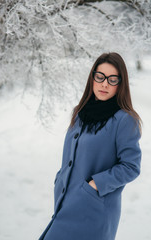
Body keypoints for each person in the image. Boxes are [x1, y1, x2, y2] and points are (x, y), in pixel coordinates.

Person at [39, 52, 142, 240]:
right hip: (66, 202)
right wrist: (60, 179)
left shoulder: (125, 120)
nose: (104, 84)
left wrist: (95, 185)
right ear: (92, 77)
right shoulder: (80, 113)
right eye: (100, 77)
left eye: (112, 80)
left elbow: (131, 167)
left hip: (94, 211)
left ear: (121, 84)